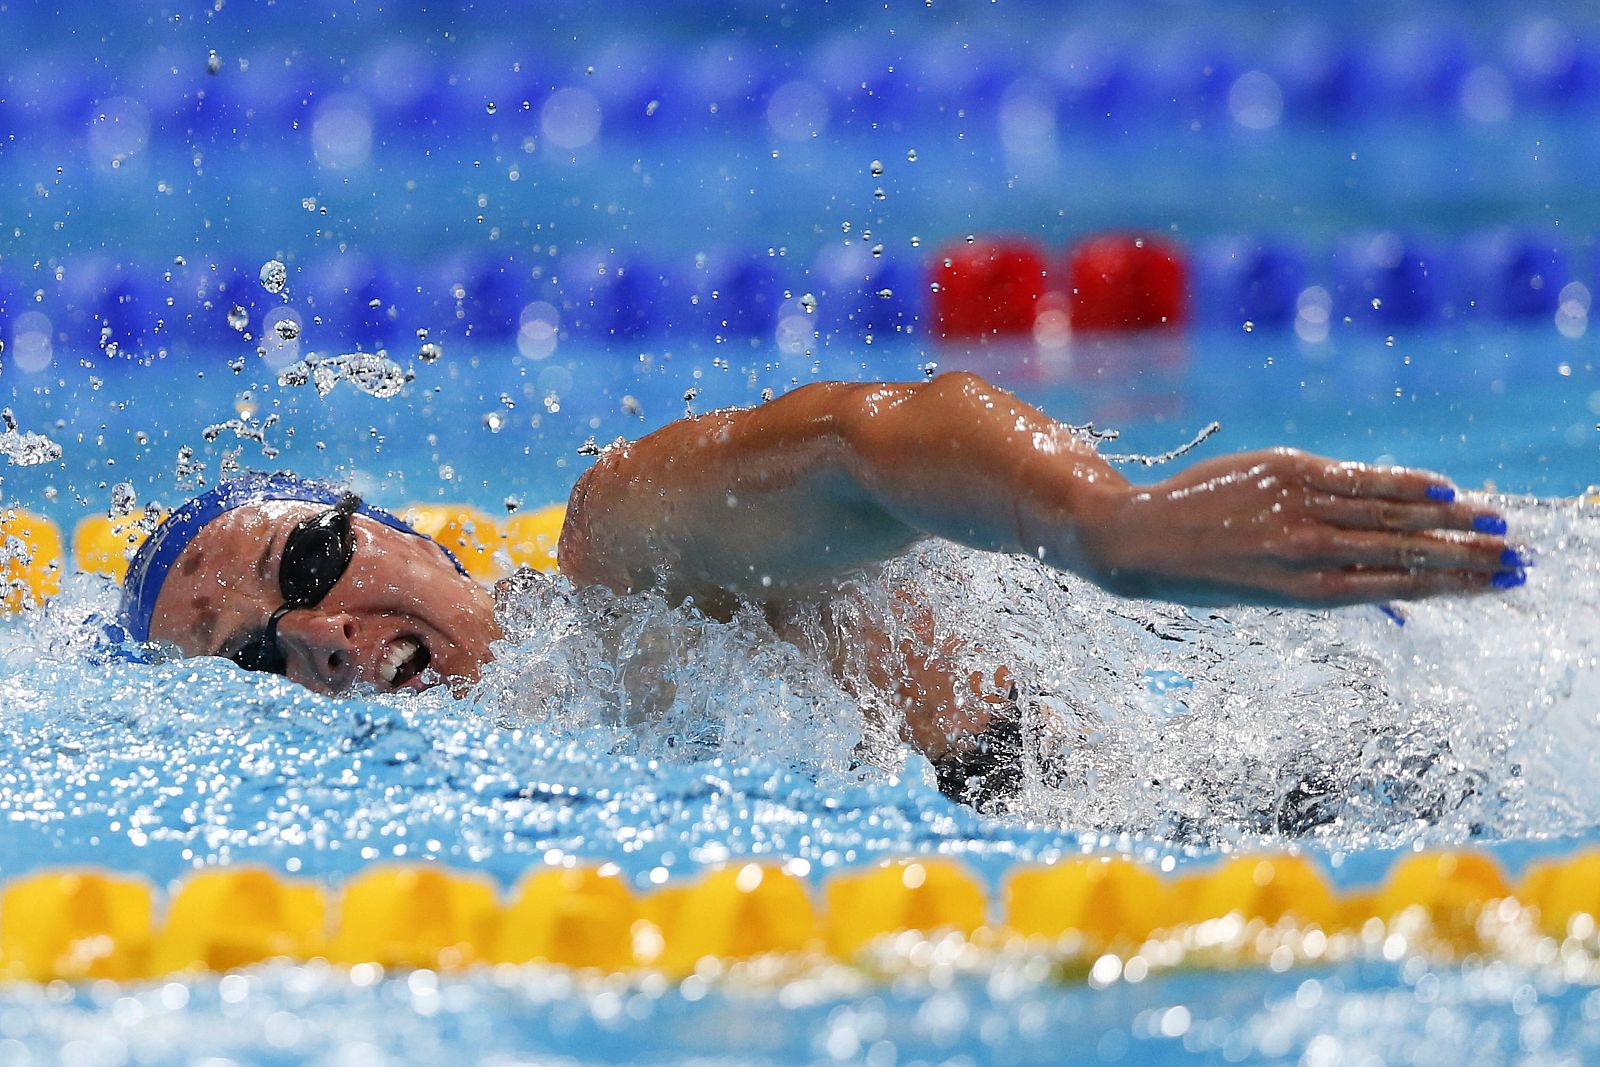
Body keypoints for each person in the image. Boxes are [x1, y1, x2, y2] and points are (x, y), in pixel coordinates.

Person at [118, 372, 1523, 804]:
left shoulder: (630, 571)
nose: (319, 642)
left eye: (305, 565)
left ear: (410, 531)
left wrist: (1112, 520)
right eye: (255, 660)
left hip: (1306, 781)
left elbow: (867, 444)